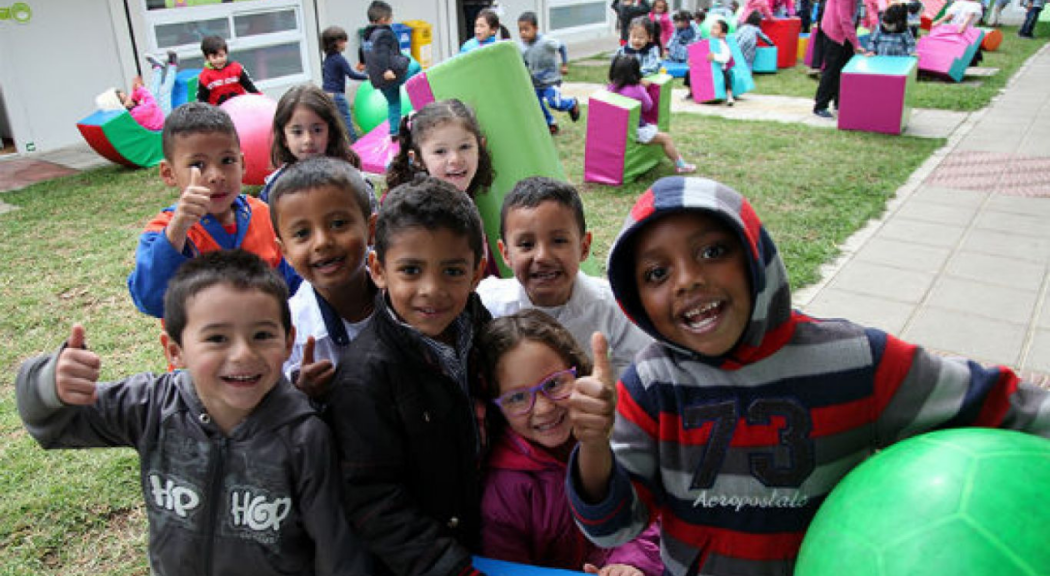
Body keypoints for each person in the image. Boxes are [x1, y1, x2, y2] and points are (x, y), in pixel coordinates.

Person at [565, 176, 1050, 576]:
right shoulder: (650, 386)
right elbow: (616, 528)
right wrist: (592, 445)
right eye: (656, 273)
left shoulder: (855, 361)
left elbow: (992, 400)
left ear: (755, 255)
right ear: (636, 297)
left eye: (712, 252)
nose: (688, 279)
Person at [16, 249, 371, 576]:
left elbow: (337, 548)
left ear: (289, 340)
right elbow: (54, 425)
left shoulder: (304, 434)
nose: (243, 354)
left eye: (262, 335)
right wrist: (50, 382)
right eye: (217, 338)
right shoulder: (152, 405)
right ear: (175, 350)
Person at [325, 176, 492, 576]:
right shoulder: (364, 378)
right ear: (378, 270)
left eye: (452, 271)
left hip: (493, 536)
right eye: (411, 270)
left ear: (476, 272)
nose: (431, 290)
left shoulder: (480, 326)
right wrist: (447, 567)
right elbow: (373, 500)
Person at [477, 309, 662, 576]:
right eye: (517, 398)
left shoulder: (617, 438)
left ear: (577, 372)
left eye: (553, 384)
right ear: (497, 407)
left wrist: (630, 564)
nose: (542, 409)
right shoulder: (503, 489)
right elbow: (507, 567)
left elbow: (648, 519)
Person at [127, 102, 300, 319]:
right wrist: (178, 229)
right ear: (169, 173)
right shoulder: (164, 231)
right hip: (203, 350)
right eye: (198, 165)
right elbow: (150, 300)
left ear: (243, 163)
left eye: (227, 160)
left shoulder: (263, 214)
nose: (216, 175)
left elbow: (292, 286)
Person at [477, 176, 652, 378]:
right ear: (506, 254)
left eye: (559, 241)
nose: (542, 256)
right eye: (526, 244)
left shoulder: (612, 304)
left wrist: (606, 388)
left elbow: (639, 361)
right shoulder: (488, 305)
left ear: (583, 247)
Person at [269, 157, 378, 397]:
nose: (322, 242)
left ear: (371, 231)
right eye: (302, 233)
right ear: (284, 251)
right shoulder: (289, 332)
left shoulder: (403, 299)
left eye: (338, 224)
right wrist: (299, 390)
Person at [385, 99, 501, 277]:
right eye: (440, 151)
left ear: (480, 147)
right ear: (417, 159)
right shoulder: (415, 212)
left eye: (464, 147)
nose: (455, 159)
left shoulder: (462, 194)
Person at [259, 83, 366, 206]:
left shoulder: (351, 180)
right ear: (284, 138)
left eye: (317, 130)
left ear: (330, 132)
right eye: (297, 132)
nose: (308, 140)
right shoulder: (275, 188)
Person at [607, 55, 696, 174]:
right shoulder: (637, 89)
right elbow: (648, 106)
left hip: (616, 131)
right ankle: (680, 165)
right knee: (666, 138)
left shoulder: (611, 88)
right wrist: (643, 89)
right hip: (636, 131)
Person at [518, 11, 581, 135]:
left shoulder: (546, 42)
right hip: (536, 82)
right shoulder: (522, 47)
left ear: (536, 29)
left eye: (526, 29)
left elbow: (562, 46)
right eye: (520, 30)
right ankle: (550, 122)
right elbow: (525, 62)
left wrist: (564, 65)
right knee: (536, 104)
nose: (523, 33)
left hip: (551, 80)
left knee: (554, 103)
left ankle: (571, 103)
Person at [362, 0, 411, 139]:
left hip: (377, 79)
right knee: (415, 68)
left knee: (394, 102)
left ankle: (394, 131)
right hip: (388, 75)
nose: (392, 19)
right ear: (384, 19)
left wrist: (365, 68)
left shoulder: (367, 35)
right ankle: (421, 100)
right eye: (391, 17)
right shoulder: (383, 33)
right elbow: (380, 53)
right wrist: (385, 70)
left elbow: (365, 52)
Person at [813, 0, 863, 118]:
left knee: (843, 70)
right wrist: (856, 44)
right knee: (832, 71)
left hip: (842, 34)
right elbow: (844, 19)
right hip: (835, 34)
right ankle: (820, 105)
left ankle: (839, 102)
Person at [320, 25, 368, 143]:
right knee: (347, 122)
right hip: (337, 96)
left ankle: (333, 144)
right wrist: (367, 77)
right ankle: (356, 145)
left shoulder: (328, 59)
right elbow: (351, 74)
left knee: (333, 122)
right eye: (343, 41)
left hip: (326, 94)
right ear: (336, 43)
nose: (345, 44)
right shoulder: (339, 59)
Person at [196, 35, 261, 106]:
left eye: (221, 55)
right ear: (207, 58)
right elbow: (202, 98)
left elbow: (248, 85)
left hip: (239, 106)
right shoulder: (205, 76)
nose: (219, 60)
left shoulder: (236, 68)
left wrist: (260, 96)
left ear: (226, 53)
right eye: (214, 57)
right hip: (219, 110)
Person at [706, 20, 738, 106]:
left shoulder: (722, 44)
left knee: (726, 76)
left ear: (723, 34)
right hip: (707, 69)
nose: (712, 30)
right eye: (712, 27)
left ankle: (729, 96)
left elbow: (726, 57)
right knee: (689, 73)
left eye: (716, 28)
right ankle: (692, 92)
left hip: (720, 69)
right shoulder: (706, 42)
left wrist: (715, 57)